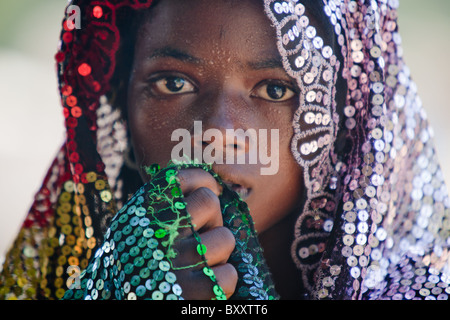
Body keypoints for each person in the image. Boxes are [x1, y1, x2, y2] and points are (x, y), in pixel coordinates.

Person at [1, 0, 449, 300]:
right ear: (120, 109)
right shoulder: (71, 283)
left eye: (275, 90)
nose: (217, 132)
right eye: (173, 83)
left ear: (347, 125)